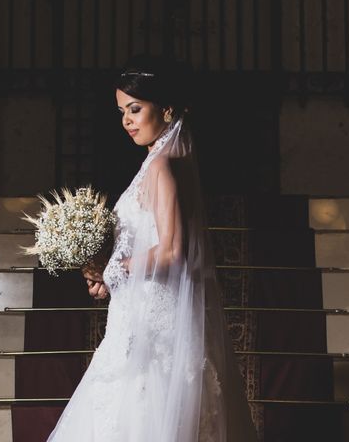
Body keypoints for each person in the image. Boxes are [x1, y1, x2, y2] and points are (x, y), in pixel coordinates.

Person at [46, 54, 259, 442]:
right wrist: (109, 276)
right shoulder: (157, 164)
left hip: (151, 325)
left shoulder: (162, 166)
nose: (127, 119)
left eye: (135, 109)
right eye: (121, 111)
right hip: (136, 315)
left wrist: (114, 268)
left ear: (167, 109)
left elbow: (172, 251)